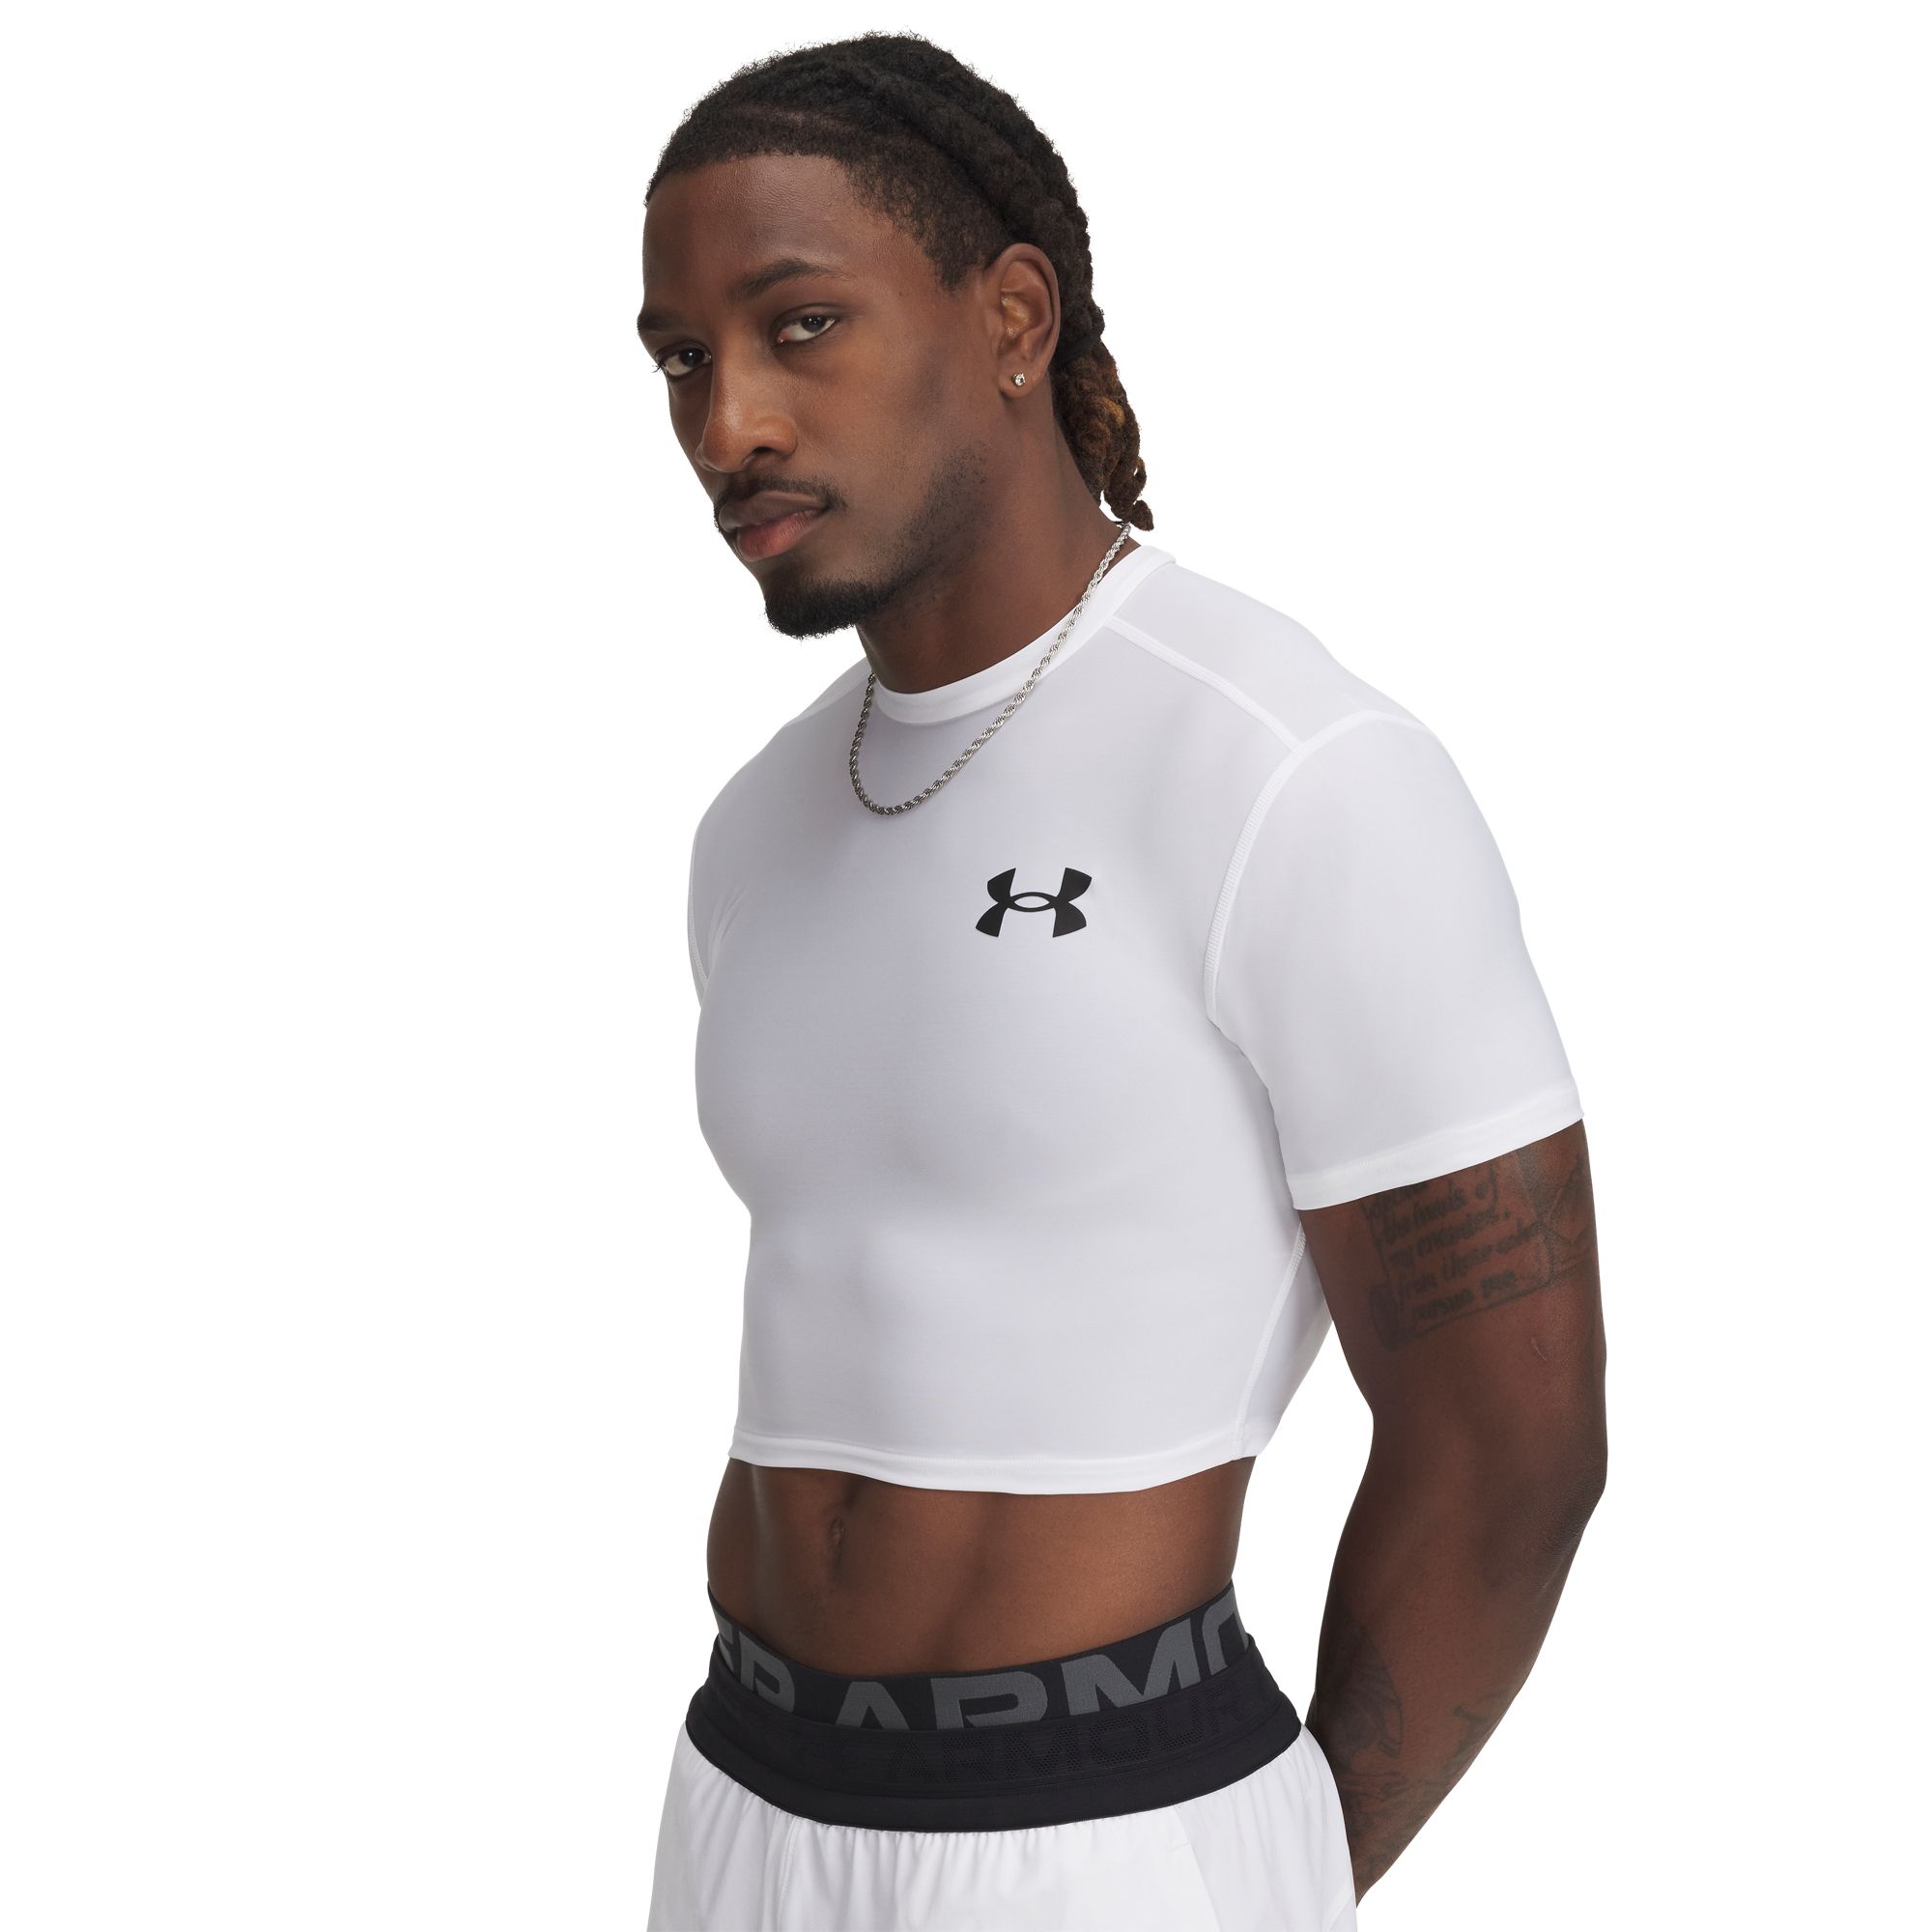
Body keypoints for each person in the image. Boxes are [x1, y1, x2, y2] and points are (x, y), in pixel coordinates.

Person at [638, 31, 1606, 1931]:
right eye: (680, 358)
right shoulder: (755, 827)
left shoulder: (1288, 771)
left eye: (800, 326)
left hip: (1108, 1841)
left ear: (1011, 318)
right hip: (739, 1802)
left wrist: (1273, 1871)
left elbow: (1518, 1446)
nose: (726, 421)